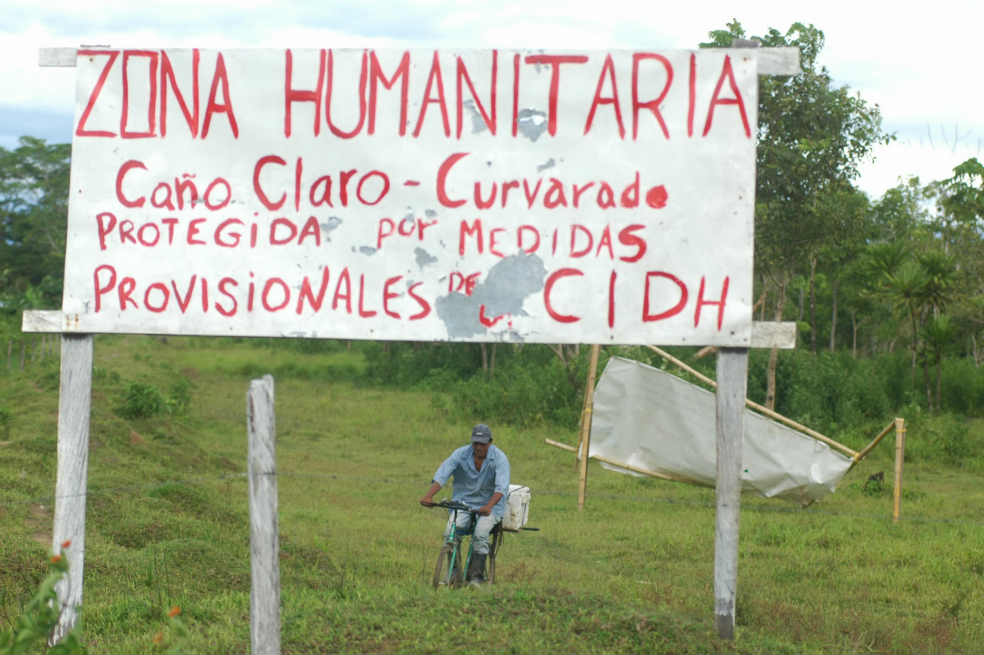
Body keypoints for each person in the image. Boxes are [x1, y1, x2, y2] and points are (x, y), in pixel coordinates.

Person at [419, 423, 510, 585]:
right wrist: (428, 496)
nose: (479, 447)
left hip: (491, 506)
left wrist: (488, 507)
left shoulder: (499, 459)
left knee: (480, 534)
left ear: (490, 442)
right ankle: (453, 575)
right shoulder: (460, 454)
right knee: (449, 533)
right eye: (476, 443)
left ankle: (476, 577)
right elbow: (442, 475)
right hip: (463, 502)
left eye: (482, 444)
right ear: (472, 442)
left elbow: (501, 488)